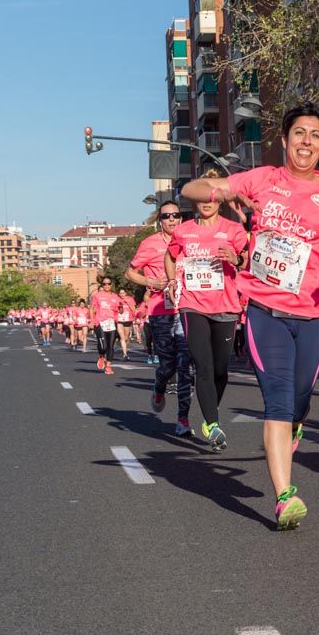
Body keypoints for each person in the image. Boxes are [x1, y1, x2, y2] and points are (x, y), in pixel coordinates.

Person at [180, 104, 319, 530]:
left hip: (314, 311)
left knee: (300, 399)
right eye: (299, 133)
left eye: (314, 136)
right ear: (285, 140)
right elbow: (191, 191)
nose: (306, 141)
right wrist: (225, 192)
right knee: (277, 400)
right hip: (266, 310)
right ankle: (284, 496)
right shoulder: (264, 179)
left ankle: (297, 423)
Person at [164, 170, 248, 448]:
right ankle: (212, 425)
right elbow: (171, 255)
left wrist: (236, 259)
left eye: (212, 197)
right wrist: (171, 280)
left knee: (220, 370)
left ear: (219, 200)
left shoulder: (233, 229)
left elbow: (248, 260)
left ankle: (210, 410)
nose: (207, 202)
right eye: (202, 197)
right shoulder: (184, 230)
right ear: (195, 202)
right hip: (193, 305)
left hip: (225, 306)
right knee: (202, 366)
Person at [125, 202, 196, 429]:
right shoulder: (150, 243)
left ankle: (182, 418)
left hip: (188, 309)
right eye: (167, 216)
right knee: (168, 365)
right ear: (160, 220)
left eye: (177, 215)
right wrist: (151, 282)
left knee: (186, 366)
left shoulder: (194, 239)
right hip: (160, 311)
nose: (172, 219)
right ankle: (159, 384)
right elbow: (130, 272)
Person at [90, 276, 123, 375]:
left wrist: (121, 307)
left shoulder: (115, 296)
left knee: (110, 346)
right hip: (100, 322)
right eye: (104, 284)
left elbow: (120, 311)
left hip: (112, 322)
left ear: (111, 284)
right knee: (103, 346)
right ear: (102, 285)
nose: (107, 285)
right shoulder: (97, 296)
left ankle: (108, 366)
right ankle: (101, 356)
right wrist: (92, 321)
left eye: (108, 283)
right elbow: (92, 308)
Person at [117, 290, 138, 360]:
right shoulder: (117, 299)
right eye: (120, 293)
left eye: (123, 293)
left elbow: (134, 309)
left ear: (125, 293)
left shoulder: (130, 299)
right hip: (119, 320)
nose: (122, 294)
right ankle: (125, 354)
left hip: (128, 320)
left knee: (126, 338)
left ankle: (124, 348)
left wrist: (128, 303)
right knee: (122, 338)